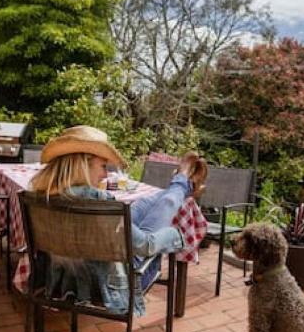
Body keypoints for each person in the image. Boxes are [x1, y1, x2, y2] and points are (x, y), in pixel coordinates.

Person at [29, 125, 208, 313]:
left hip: (67, 280)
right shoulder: (97, 201)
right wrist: (175, 235)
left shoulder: (40, 195)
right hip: (114, 281)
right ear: (82, 164)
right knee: (166, 209)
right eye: (103, 166)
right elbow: (147, 246)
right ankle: (183, 183)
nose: (106, 175)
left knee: (144, 203)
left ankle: (180, 185)